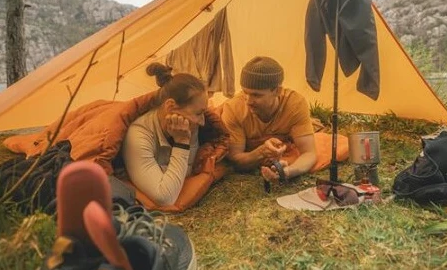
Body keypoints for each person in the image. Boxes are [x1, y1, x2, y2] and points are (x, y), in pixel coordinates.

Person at [221, 56, 318, 185]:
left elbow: (309, 153)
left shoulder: (295, 104)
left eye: (256, 95)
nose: (248, 101)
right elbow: (235, 160)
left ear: (277, 91)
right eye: (245, 92)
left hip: (282, 154)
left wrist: (288, 172)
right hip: (252, 152)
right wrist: (261, 152)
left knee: (330, 147)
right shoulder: (233, 108)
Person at [121, 63, 208, 207]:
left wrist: (166, 173)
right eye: (198, 113)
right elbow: (165, 197)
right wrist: (182, 142)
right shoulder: (139, 135)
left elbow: (190, 169)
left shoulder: (189, 124)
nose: (202, 122)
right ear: (171, 106)